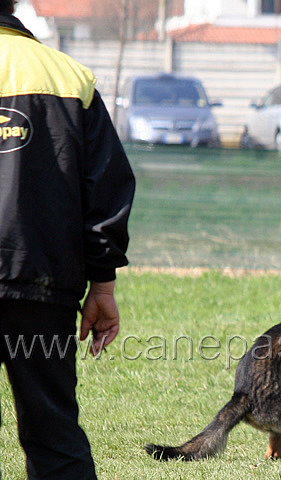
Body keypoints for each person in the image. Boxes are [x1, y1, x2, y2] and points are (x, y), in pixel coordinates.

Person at [0, 1, 135, 478]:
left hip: (43, 281)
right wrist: (103, 285)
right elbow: (106, 189)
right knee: (54, 433)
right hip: (43, 284)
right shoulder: (68, 77)